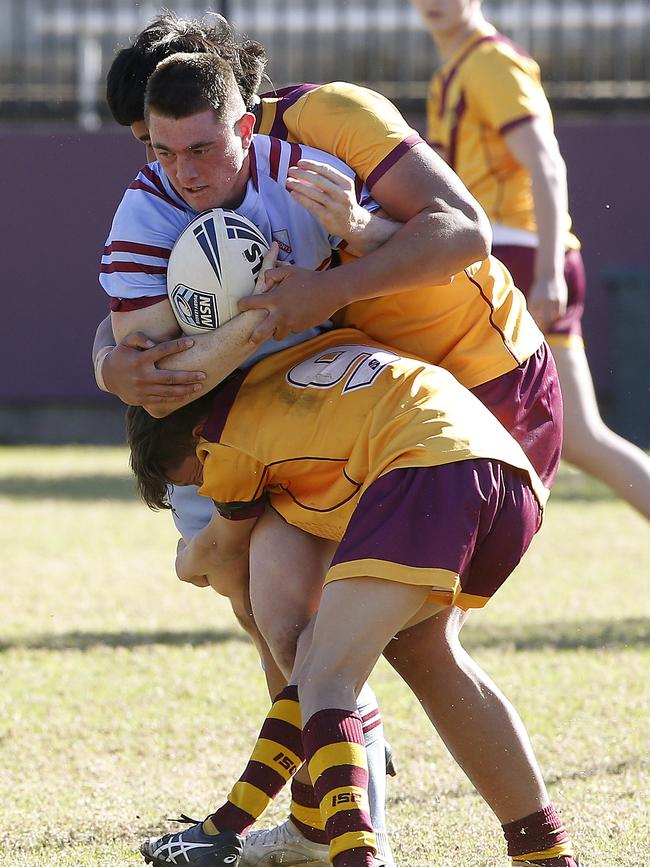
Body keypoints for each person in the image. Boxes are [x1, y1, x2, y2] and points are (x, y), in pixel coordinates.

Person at [96, 39, 567, 867]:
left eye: (190, 145)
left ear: (238, 111)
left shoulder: (325, 122)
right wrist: (109, 357)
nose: (176, 172)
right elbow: (149, 313)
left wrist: (332, 270)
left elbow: (464, 233)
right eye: (151, 147)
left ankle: (387, 841)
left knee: (406, 644)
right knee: (276, 605)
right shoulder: (173, 185)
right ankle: (333, 827)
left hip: (482, 385)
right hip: (367, 406)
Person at [127, 326, 578, 867]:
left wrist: (186, 559)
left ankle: (351, 854)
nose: (207, 482)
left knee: (324, 677)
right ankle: (544, 852)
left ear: (197, 433)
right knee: (402, 653)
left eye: (196, 475)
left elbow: (220, 555)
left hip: (428, 474)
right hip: (510, 482)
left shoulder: (225, 438)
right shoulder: (304, 356)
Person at [410, 0, 650, 520]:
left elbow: (546, 162)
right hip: (514, 256)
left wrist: (545, 273)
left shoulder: (489, 62)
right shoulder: (455, 69)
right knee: (583, 438)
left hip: (516, 256)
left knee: (441, 417)